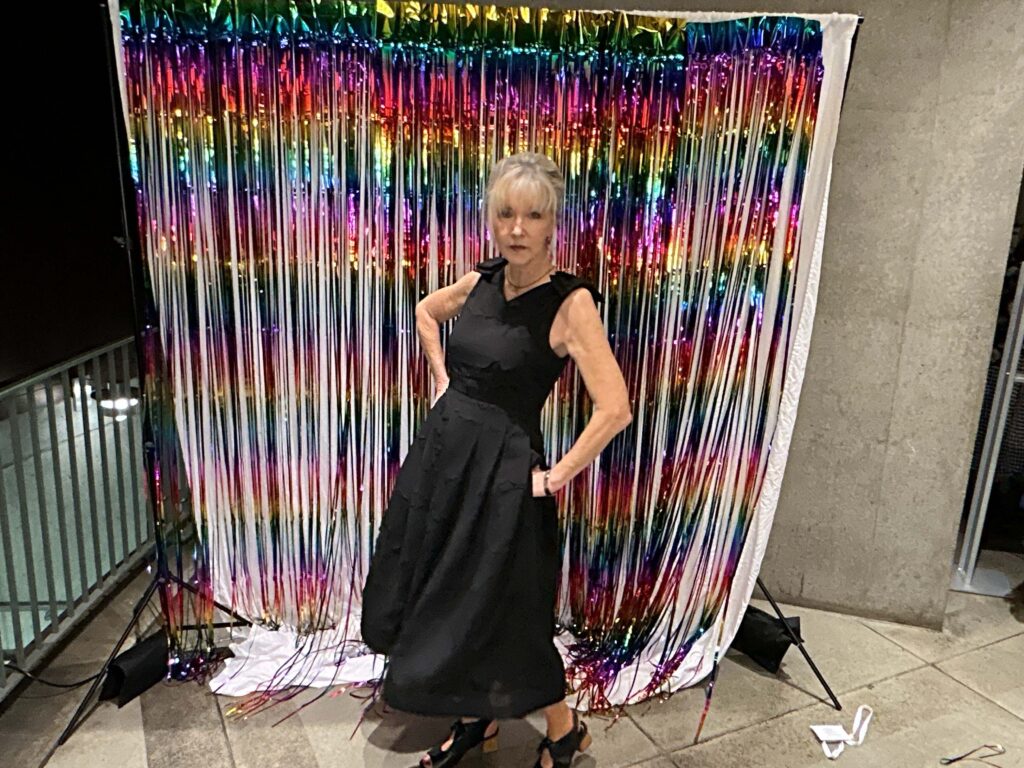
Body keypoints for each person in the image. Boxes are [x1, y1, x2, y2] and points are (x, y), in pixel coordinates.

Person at [360, 151, 632, 768]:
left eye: (532, 216)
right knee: (451, 593)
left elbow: (615, 408)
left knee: (505, 609)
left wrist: (555, 478)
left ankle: (563, 730)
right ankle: (474, 721)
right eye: (505, 213)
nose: (516, 228)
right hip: (444, 462)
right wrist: (442, 380)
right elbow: (427, 312)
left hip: (502, 477)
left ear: (552, 223)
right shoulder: (482, 280)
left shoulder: (569, 304)